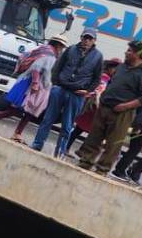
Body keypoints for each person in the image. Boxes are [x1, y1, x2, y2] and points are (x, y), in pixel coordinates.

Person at [77, 40, 142, 174]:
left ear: (139, 54)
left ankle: (102, 168)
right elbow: (112, 83)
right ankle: (85, 161)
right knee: (94, 136)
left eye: (130, 51)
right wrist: (103, 97)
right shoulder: (122, 67)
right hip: (105, 107)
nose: (126, 52)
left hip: (122, 112)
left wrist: (125, 106)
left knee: (113, 143)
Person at [31, 28, 104, 156]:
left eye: (90, 39)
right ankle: (37, 144)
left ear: (94, 41)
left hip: (77, 94)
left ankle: (60, 152)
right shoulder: (70, 50)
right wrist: (55, 85)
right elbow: (57, 67)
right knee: (47, 119)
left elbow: (97, 78)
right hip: (60, 89)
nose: (87, 41)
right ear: (81, 38)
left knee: (67, 125)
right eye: (85, 38)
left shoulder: (98, 56)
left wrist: (87, 91)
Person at [0, 36, 67, 142]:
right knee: (21, 108)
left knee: (28, 111)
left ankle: (17, 132)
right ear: (58, 45)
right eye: (61, 46)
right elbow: (37, 68)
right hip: (31, 84)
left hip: (27, 80)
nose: (62, 49)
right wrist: (37, 84)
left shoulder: (43, 49)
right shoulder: (50, 55)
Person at [65, 58, 120, 152]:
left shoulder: (108, 79)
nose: (116, 72)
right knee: (83, 130)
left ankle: (73, 149)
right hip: (92, 108)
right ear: (110, 68)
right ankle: (71, 148)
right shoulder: (104, 78)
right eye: (115, 69)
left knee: (83, 130)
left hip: (93, 109)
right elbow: (98, 91)